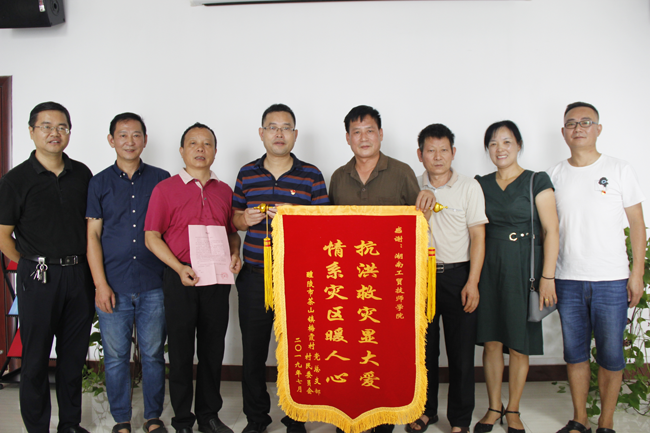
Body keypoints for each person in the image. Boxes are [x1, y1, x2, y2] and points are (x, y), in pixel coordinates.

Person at [329, 105, 435, 433]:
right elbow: (329, 231)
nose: (364, 138)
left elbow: (419, 222)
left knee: (385, 349)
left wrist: (427, 199)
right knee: (351, 347)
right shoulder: (338, 177)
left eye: (370, 130)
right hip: (349, 284)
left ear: (381, 134)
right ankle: (350, 414)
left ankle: (383, 416)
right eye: (356, 132)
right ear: (347, 138)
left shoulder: (401, 172)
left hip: (390, 283)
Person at [548, 102, 646, 433]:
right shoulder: (554, 175)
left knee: (611, 355)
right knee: (575, 354)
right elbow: (547, 229)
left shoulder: (619, 169)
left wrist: (636, 274)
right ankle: (580, 419)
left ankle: (606, 421)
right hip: (568, 279)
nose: (578, 128)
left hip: (612, 280)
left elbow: (637, 225)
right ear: (563, 132)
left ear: (598, 129)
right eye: (571, 123)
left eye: (586, 122)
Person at [232, 104, 329, 433]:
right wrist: (244, 219)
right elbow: (233, 219)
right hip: (255, 276)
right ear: (261, 133)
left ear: (295, 135)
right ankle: (256, 419)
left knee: (298, 352)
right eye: (272, 127)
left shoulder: (311, 175)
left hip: (298, 278)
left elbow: (325, 227)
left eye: (286, 127)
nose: (279, 133)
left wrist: (297, 215)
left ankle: (296, 418)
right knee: (253, 352)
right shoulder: (246, 173)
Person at [0, 102, 94, 433]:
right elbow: (3, 237)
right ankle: (38, 427)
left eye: (62, 127)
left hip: (79, 275)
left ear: (69, 132)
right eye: (46, 126)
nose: (55, 133)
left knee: (73, 357)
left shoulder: (82, 174)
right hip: (38, 277)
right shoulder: (15, 180)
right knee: (36, 358)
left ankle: (69, 424)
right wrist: (30, 261)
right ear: (31, 131)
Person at [144, 123, 242, 433]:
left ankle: (209, 415)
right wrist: (177, 267)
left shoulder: (224, 190)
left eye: (207, 143)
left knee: (213, 349)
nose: (200, 149)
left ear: (215, 151)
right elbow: (151, 237)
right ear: (182, 151)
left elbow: (231, 232)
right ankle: (183, 420)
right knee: (182, 351)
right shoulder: (165, 189)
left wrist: (235, 253)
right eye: (193, 143)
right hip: (182, 276)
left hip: (217, 277)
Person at [86, 113, 170, 433]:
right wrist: (100, 285)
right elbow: (93, 236)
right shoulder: (99, 183)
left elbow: (170, 228)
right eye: (123, 135)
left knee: (153, 355)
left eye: (136, 135)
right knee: (116, 356)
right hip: (114, 284)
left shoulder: (162, 179)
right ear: (111, 140)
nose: (130, 141)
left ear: (145, 140)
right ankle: (121, 419)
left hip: (153, 282)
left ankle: (152, 417)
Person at [473, 121, 559, 433]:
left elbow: (551, 230)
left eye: (507, 142)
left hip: (525, 270)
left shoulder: (537, 180)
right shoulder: (480, 183)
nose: (500, 149)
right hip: (489, 268)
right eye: (493, 143)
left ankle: (513, 410)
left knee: (519, 344)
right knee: (492, 341)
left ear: (519, 145)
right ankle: (493, 407)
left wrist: (548, 277)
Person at [406, 124, 487, 433]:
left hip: (458, 276)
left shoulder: (469, 187)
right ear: (420, 155)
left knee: (462, 354)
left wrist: (472, 282)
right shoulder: (410, 185)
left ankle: (460, 420)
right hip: (421, 278)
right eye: (430, 150)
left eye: (443, 150)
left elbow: (478, 237)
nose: (437, 157)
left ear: (453, 152)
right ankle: (425, 411)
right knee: (423, 351)